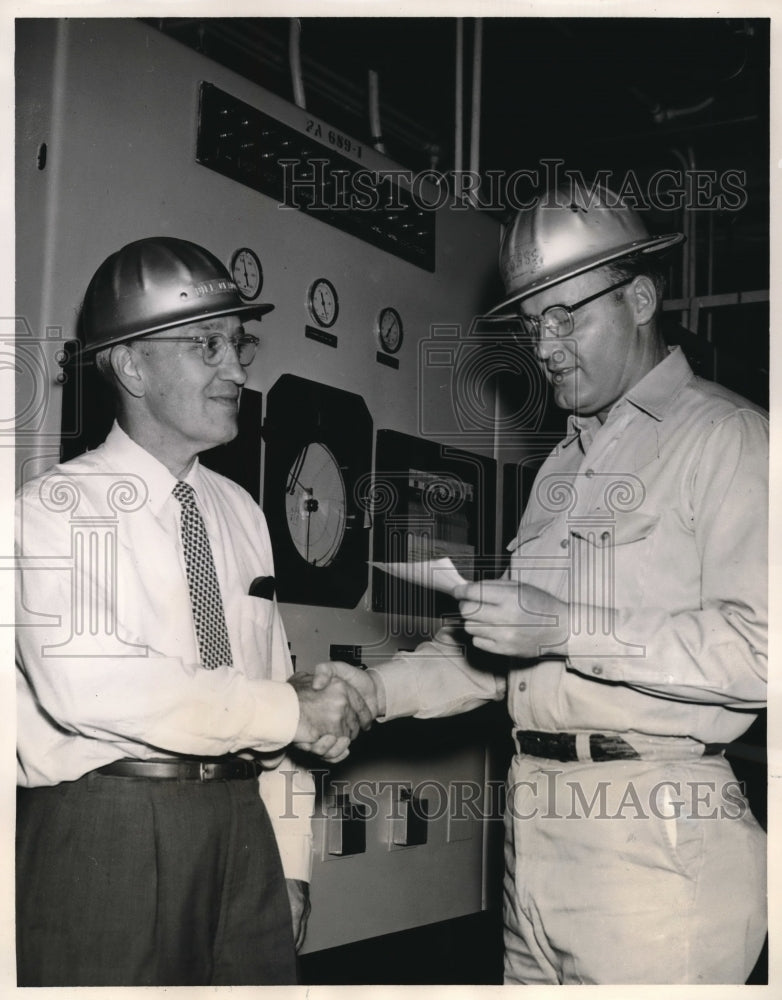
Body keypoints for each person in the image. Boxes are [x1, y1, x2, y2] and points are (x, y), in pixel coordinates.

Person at [318, 184, 768, 984]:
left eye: (566, 316)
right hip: (537, 831)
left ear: (639, 298)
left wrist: (566, 627)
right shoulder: (564, 463)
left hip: (657, 841)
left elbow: (760, 652)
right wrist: (370, 692)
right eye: (531, 325)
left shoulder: (728, 439)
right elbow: (499, 650)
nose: (545, 345)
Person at [15, 236, 373, 987]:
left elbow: (274, 680)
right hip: (107, 824)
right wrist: (286, 711)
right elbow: (93, 686)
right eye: (207, 344)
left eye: (237, 344)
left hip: (241, 823)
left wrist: (289, 857)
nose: (237, 368)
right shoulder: (59, 508)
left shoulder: (240, 510)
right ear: (132, 365)